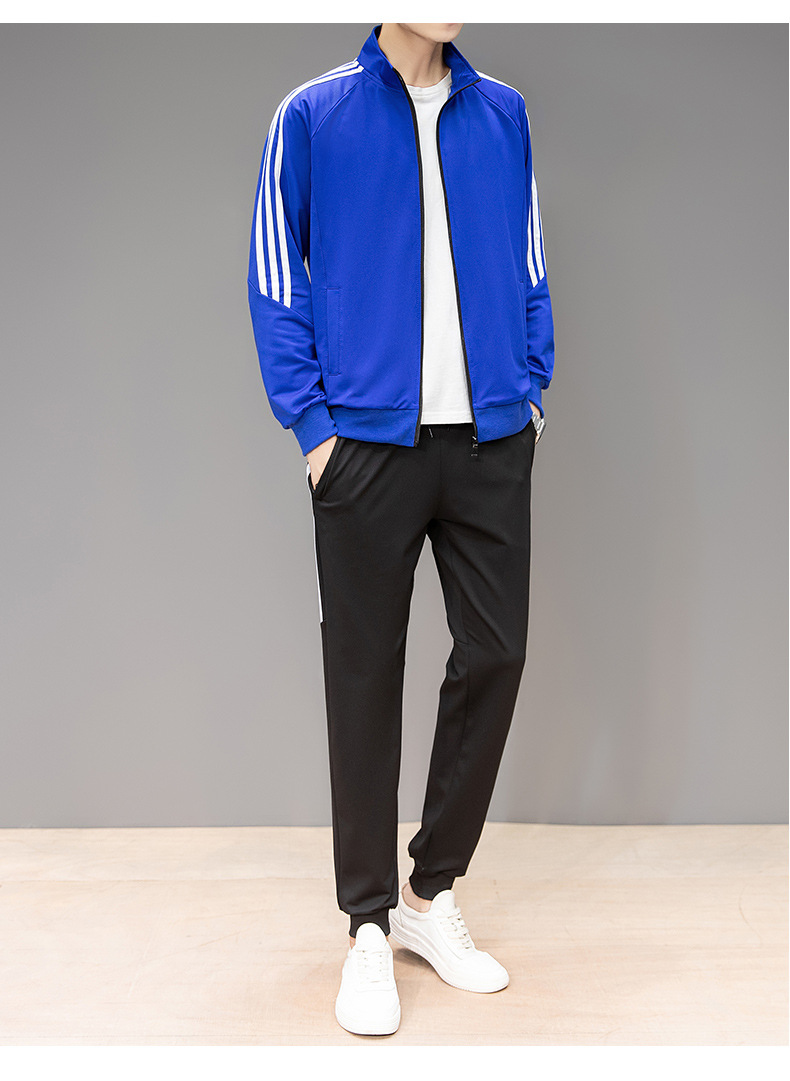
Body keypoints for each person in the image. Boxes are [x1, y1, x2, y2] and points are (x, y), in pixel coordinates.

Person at [247, 22, 554, 1036]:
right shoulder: (313, 113)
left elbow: (529, 260)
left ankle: (430, 891)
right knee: (365, 674)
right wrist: (313, 431)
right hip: (366, 447)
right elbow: (275, 277)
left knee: (496, 653)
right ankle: (369, 926)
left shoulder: (503, 114)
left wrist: (529, 391)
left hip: (489, 440)